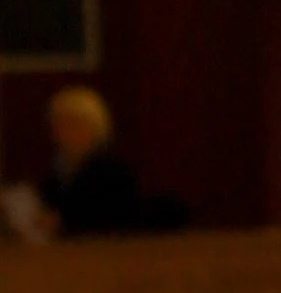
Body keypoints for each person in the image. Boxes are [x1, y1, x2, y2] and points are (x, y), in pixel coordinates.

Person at [34, 86, 177, 237]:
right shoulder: (53, 175)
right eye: (59, 124)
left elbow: (119, 219)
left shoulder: (113, 173)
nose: (64, 132)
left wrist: (64, 222)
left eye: (74, 124)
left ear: (95, 127)